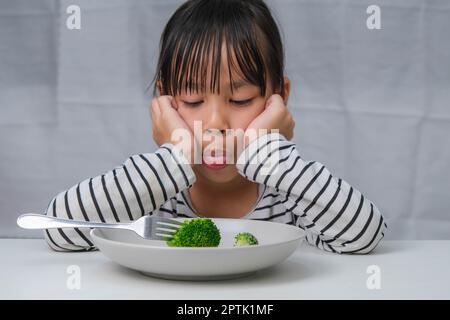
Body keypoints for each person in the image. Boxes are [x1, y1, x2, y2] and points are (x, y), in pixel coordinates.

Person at [44, 0, 386, 254]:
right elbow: (60, 229)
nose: (216, 124)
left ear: (278, 99)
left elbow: (364, 236)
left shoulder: (291, 193)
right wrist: (175, 156)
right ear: (167, 101)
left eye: (240, 101)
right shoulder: (152, 191)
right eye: (193, 102)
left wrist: (270, 156)